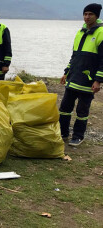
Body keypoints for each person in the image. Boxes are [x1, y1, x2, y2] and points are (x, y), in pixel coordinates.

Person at [59, 3, 103, 146]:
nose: (87, 17)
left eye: (90, 14)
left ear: (97, 16)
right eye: (85, 14)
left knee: (82, 111)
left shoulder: (101, 33)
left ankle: (78, 136)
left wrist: (98, 80)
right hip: (73, 78)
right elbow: (75, 56)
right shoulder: (80, 32)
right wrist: (66, 72)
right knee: (64, 108)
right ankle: (62, 133)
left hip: (88, 80)